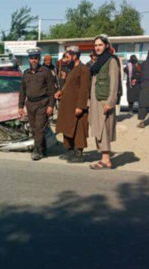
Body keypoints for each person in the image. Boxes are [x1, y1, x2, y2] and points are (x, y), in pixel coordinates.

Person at [89, 35, 120, 169]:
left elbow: (114, 83)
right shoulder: (99, 61)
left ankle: (106, 159)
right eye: (96, 45)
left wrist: (110, 102)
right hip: (96, 100)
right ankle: (104, 158)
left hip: (104, 101)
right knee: (98, 129)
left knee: (104, 130)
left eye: (100, 45)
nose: (97, 47)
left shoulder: (111, 60)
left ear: (106, 46)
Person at [18, 48, 56, 161]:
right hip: (30, 104)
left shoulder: (45, 72)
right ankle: (43, 149)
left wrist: (51, 105)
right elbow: (23, 91)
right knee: (35, 129)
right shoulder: (26, 73)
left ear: (39, 59)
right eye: (31, 58)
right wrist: (20, 106)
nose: (33, 60)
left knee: (39, 128)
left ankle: (37, 151)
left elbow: (51, 91)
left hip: (42, 103)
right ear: (29, 59)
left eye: (35, 58)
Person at [54, 46, 90, 163]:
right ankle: (70, 152)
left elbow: (84, 89)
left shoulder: (83, 69)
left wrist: (80, 106)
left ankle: (78, 154)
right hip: (67, 106)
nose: (66, 59)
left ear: (75, 56)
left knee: (79, 130)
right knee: (67, 127)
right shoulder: (71, 69)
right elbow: (68, 85)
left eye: (68, 57)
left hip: (77, 106)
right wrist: (60, 92)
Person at [137, 51, 149, 128]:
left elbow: (139, 74)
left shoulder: (143, 64)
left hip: (144, 85)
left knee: (143, 104)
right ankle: (144, 122)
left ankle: (142, 121)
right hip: (145, 84)